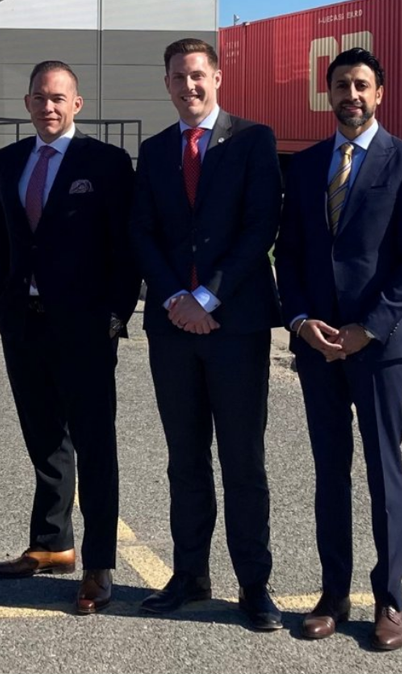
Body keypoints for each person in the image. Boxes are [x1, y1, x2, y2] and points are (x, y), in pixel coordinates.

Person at [274, 47, 402, 652]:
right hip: (318, 345)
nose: (352, 95)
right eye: (341, 85)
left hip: (378, 347)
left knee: (382, 471)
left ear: (380, 93)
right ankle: (333, 593)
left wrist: (368, 328)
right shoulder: (309, 163)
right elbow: (286, 253)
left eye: (362, 85)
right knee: (329, 473)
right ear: (329, 93)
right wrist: (298, 319)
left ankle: (389, 598)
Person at [129, 38, 284, 630]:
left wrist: (208, 295)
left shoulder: (252, 140)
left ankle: (253, 584)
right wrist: (174, 298)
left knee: (243, 460)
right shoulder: (155, 150)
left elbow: (260, 224)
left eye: (197, 76)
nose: (188, 87)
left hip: (234, 326)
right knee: (184, 459)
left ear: (217, 77)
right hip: (173, 329)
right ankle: (190, 574)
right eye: (177, 77)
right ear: (166, 83)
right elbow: (142, 232)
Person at [0, 61, 140, 615]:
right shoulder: (8, 161)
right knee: (44, 437)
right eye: (38, 98)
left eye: (58, 98)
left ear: (76, 103)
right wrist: (2, 306)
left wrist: (117, 317)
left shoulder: (106, 162)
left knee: (95, 442)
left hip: (86, 326)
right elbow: (6, 240)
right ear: (27, 104)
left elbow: (126, 247)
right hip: (23, 322)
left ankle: (99, 561)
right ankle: (51, 543)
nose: (48, 107)